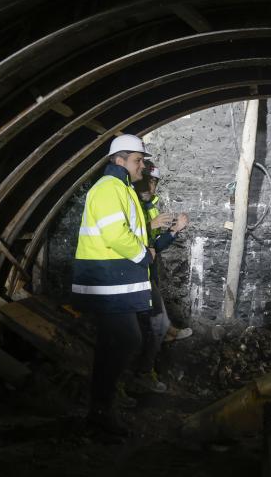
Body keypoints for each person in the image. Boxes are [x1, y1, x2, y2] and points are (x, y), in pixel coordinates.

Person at [71, 133, 154, 436]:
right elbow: (115, 234)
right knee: (128, 340)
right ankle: (102, 406)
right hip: (105, 280)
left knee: (112, 344)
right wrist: (145, 254)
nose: (141, 166)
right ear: (119, 160)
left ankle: (100, 410)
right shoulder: (109, 188)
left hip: (112, 280)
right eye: (138, 160)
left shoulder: (121, 187)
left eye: (141, 160)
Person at [130, 161, 191, 393]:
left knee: (155, 321)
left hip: (146, 274)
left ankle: (163, 336)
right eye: (146, 182)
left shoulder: (149, 207)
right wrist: (149, 224)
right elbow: (124, 236)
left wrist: (174, 230)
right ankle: (142, 373)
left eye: (153, 183)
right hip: (132, 276)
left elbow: (154, 245)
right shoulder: (130, 204)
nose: (150, 188)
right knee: (151, 324)